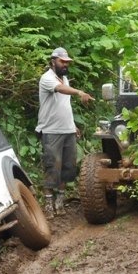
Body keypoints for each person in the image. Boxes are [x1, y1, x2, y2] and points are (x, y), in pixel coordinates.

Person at [36, 47, 94, 216]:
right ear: (53, 61)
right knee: (52, 166)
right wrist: (79, 92)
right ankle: (48, 205)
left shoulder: (65, 79)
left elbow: (64, 105)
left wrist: (72, 125)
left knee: (68, 168)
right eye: (62, 62)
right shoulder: (47, 78)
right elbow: (60, 90)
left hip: (67, 130)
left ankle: (60, 202)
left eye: (67, 62)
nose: (65, 65)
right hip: (51, 130)